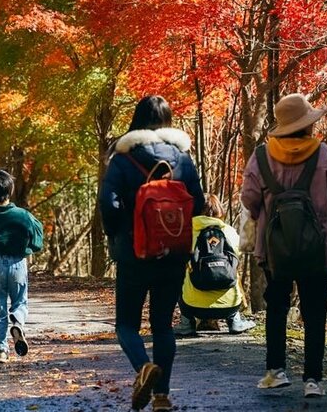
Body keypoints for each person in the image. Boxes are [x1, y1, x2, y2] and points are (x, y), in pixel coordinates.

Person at [100, 95, 204, 412]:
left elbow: (109, 204)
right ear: (168, 121)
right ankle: (162, 397)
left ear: (136, 120)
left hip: (134, 253)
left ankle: (143, 367)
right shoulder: (182, 159)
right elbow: (198, 202)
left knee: (126, 325)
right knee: (163, 326)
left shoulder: (123, 159)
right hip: (173, 252)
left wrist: (118, 234)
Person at [241, 93, 327, 398]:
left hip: (274, 247)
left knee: (276, 306)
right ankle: (313, 379)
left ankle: (275, 372)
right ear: (307, 124)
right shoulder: (324, 154)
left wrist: (264, 215)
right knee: (315, 310)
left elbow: (249, 198)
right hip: (318, 245)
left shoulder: (261, 156)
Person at [0, 169, 43, 364]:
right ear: (10, 190)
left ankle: (1, 350)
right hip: (17, 262)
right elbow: (38, 238)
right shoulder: (23, 215)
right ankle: (17, 323)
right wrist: (28, 249)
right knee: (20, 302)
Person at [173, 193, 256, 336]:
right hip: (229, 306)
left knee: (178, 274)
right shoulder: (229, 232)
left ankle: (186, 323)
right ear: (219, 210)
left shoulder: (185, 233)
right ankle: (235, 321)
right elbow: (239, 253)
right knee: (233, 270)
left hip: (193, 306)